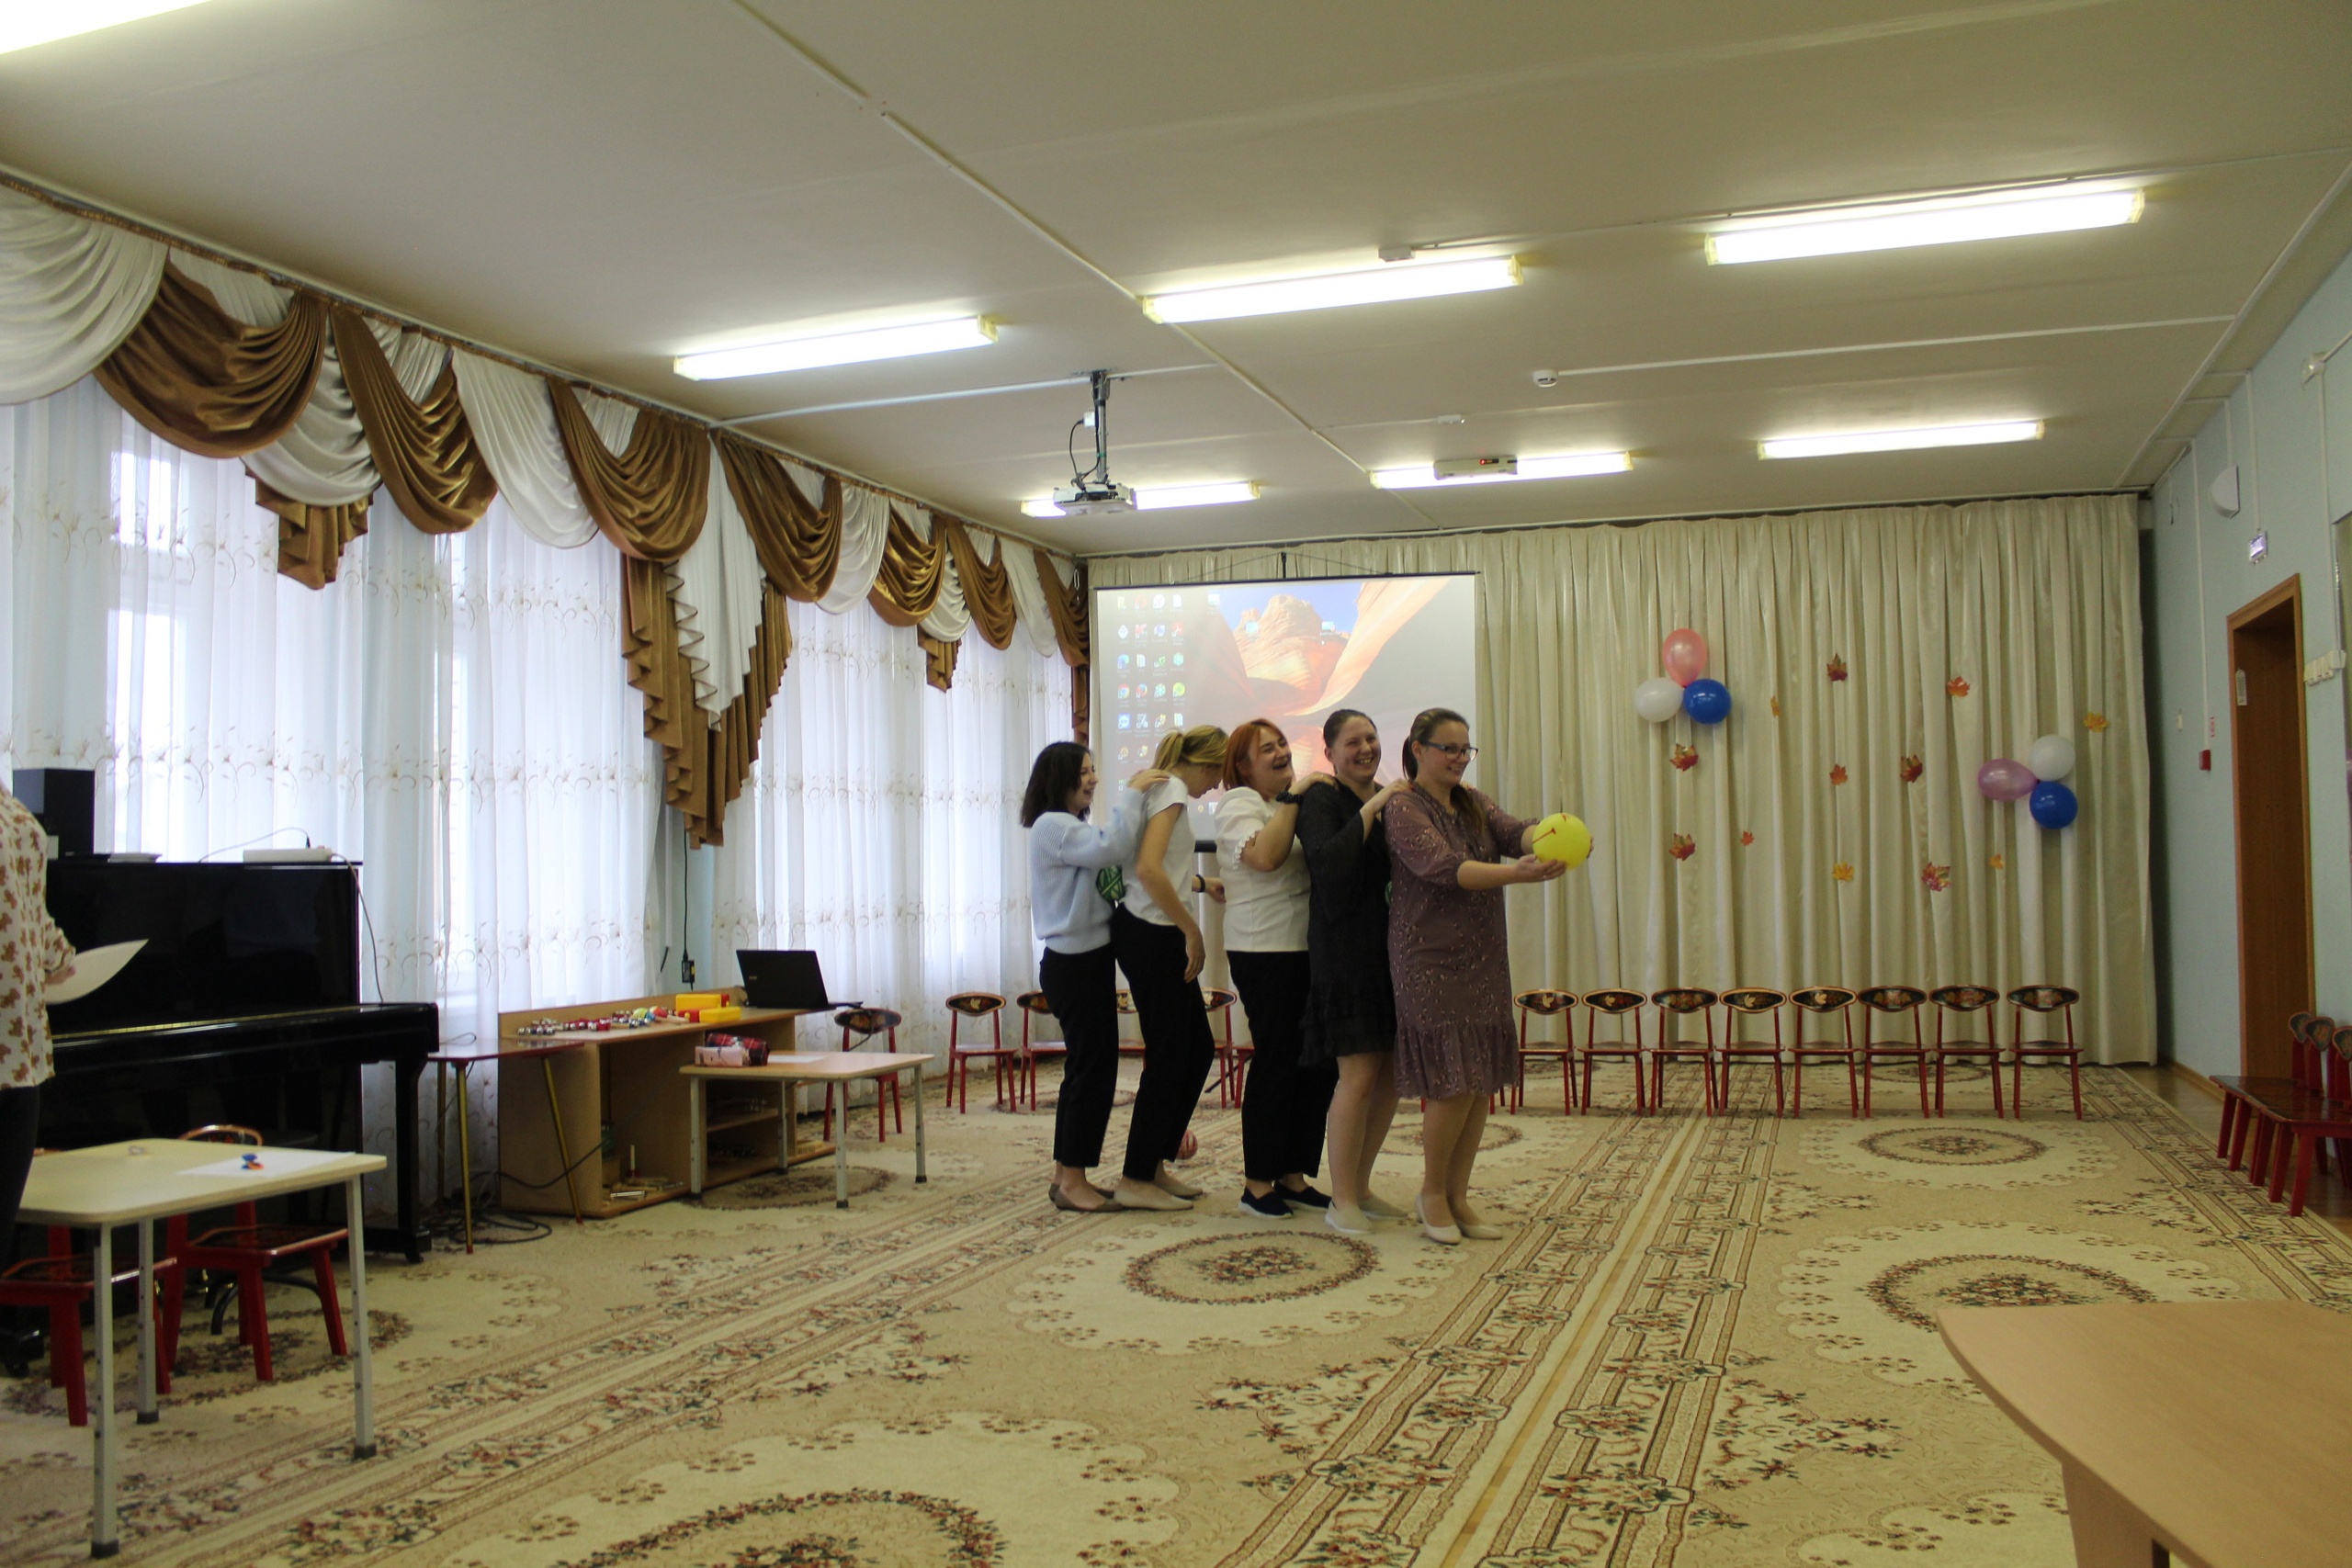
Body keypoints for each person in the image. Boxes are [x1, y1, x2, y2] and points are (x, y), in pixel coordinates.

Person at [1385, 706, 1565, 1245]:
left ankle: (1457, 1194)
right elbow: (1443, 868)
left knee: (1478, 1080)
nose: (1460, 758)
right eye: (1450, 749)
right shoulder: (1403, 805)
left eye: (1466, 749)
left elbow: (1514, 831)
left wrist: (1555, 836)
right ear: (1418, 749)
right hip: (1429, 958)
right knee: (1452, 1081)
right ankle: (1431, 1193)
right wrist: (1517, 875)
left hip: (1482, 956)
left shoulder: (1471, 800)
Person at [1022, 743, 1170, 1213]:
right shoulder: (1052, 826)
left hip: (1086, 960)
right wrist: (1133, 794)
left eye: (1093, 770)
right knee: (1094, 1071)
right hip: (1074, 964)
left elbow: (1115, 871)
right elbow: (1112, 846)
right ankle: (1072, 1181)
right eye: (1084, 772)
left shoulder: (1071, 827)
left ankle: (1065, 1173)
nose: (1093, 779)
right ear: (1060, 778)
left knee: (1086, 1068)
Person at [1215, 719, 1338, 1219]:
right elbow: (1265, 857)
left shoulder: (1290, 804)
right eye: (1267, 749)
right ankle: (1256, 1183)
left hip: (1306, 947)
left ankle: (1293, 1174)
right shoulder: (1239, 804)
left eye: (1282, 743)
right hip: (1262, 949)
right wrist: (1295, 797)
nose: (1281, 753)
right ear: (1243, 767)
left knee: (1316, 1063)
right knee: (1278, 1059)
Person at [1296, 709, 1411, 1235]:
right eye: (1352, 742)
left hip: (1391, 952)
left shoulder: (1390, 799)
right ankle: (1340, 1196)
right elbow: (1330, 863)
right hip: (1344, 953)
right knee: (1359, 1074)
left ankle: (1361, 1187)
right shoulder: (1323, 799)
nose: (1366, 749)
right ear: (1330, 753)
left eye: (1371, 738)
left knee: (1389, 1075)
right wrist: (1375, 807)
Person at [1112, 725, 1228, 1212]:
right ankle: (1135, 1176)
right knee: (1171, 1055)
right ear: (1207, 763)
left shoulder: (1163, 788)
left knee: (1196, 1049)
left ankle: (1155, 1163)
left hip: (1150, 930)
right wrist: (1191, 929)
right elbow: (1147, 870)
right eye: (1219, 773)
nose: (1217, 785)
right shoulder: (1173, 790)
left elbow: (1162, 869)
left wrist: (1200, 884)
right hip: (1152, 935)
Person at [0, 783, 73, 1261]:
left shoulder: (12, 811)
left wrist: (56, 953)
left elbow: (31, 909)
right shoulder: (15, 814)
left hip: (16, 1041)